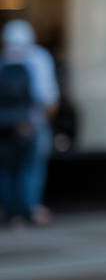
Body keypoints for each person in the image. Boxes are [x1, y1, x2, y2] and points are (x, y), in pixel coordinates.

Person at [0, 20, 58, 225]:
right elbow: (48, 98)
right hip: (31, 123)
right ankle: (28, 210)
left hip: (5, 125)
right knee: (30, 168)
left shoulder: (3, 60)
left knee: (6, 169)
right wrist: (41, 122)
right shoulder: (38, 58)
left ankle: (10, 212)